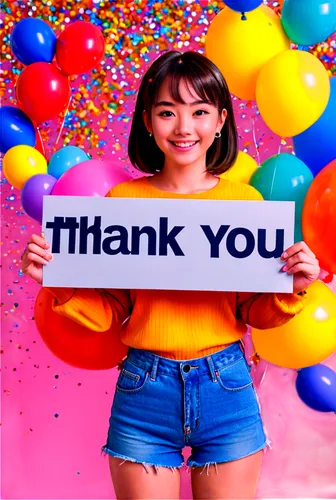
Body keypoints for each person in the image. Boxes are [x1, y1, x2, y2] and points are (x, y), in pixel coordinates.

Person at [21, 50, 320, 500]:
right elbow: (111, 309)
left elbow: (251, 310)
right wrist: (57, 277)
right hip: (144, 389)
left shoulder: (245, 206)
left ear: (220, 121)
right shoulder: (122, 202)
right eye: (167, 112)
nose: (184, 128)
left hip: (227, 386)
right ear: (147, 120)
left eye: (199, 112)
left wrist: (291, 288)